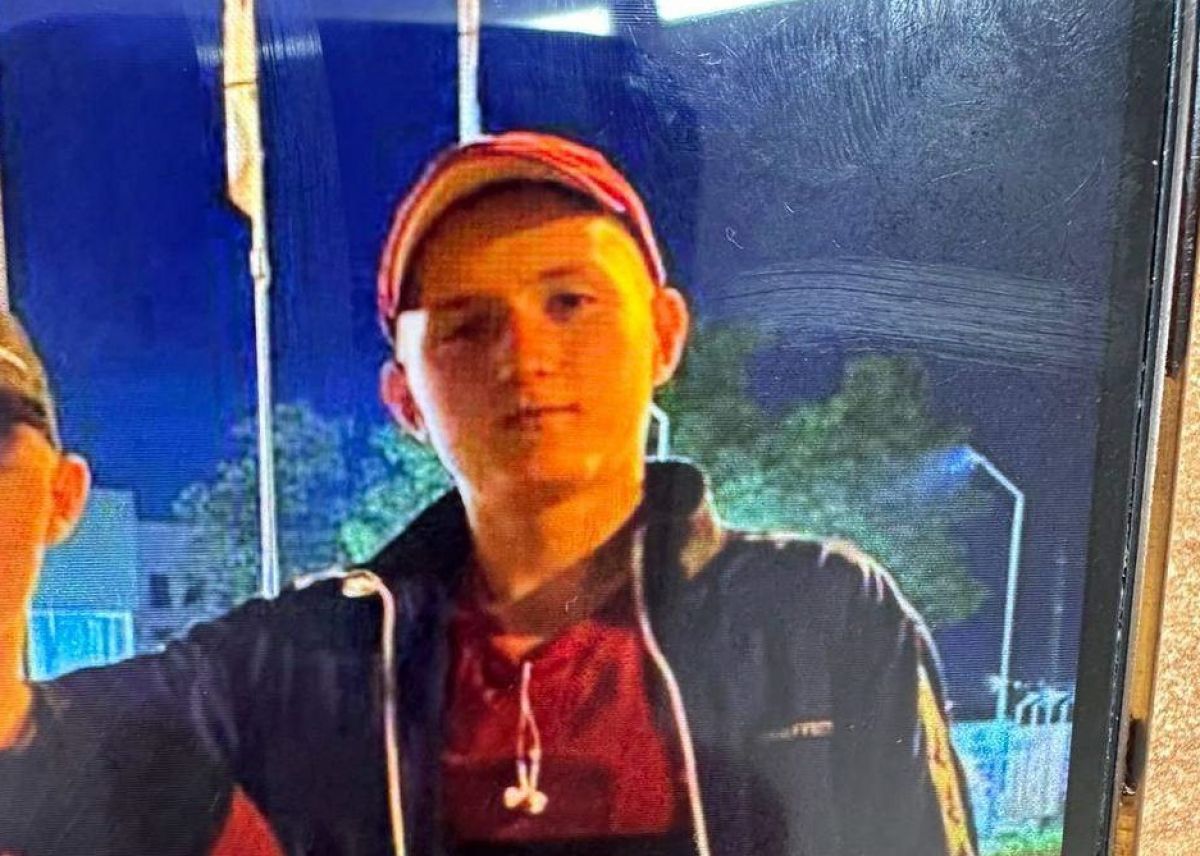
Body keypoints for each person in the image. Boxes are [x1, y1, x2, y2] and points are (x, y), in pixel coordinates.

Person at [0, 132, 976, 856]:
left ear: (665, 334)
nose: (526, 355)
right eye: (467, 326)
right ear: (404, 400)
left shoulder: (821, 615)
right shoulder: (301, 659)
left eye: (570, 302)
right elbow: (42, 744)